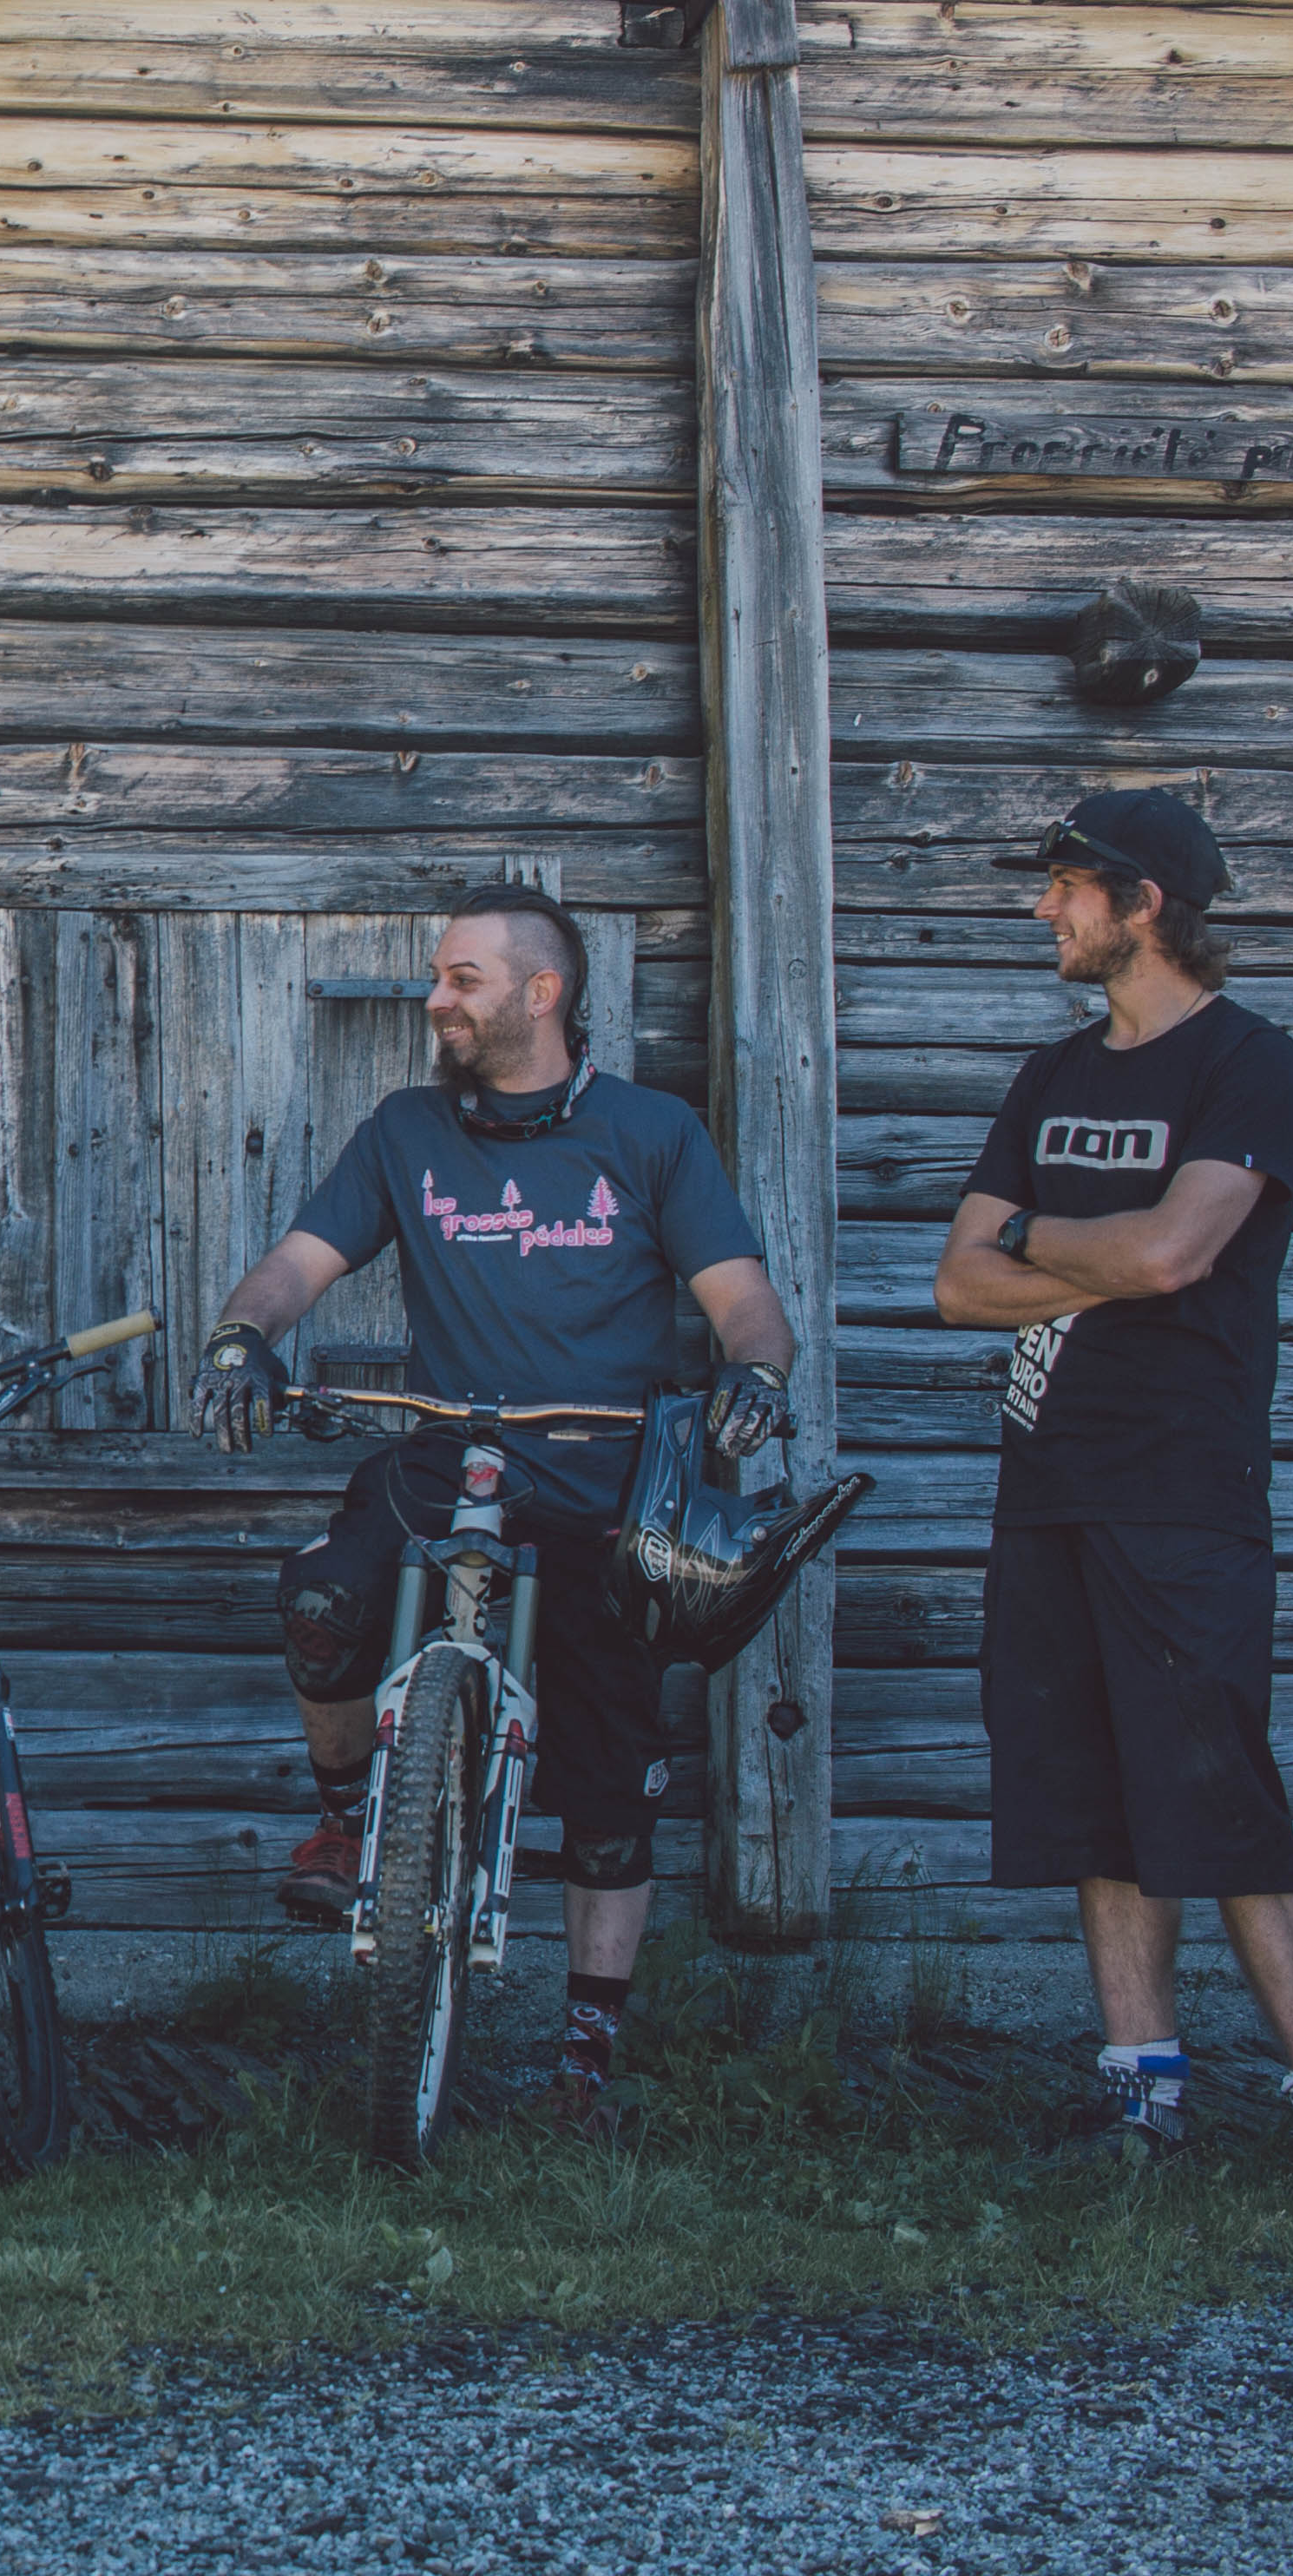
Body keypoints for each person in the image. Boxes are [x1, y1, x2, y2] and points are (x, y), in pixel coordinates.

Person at [189, 881, 797, 2135]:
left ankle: (587, 2048)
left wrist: (757, 1373)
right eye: (436, 976)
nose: (434, 998)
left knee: (612, 1780)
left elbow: (741, 1295)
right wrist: (246, 1332)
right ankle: (349, 1814)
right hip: (443, 1462)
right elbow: (301, 1262)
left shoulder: (651, 1133)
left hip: (599, 1489)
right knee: (319, 1599)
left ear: (543, 991)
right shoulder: (409, 1130)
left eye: (461, 978)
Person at [929, 790, 1293, 2209]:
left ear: (1144, 904)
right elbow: (958, 1286)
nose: (1042, 909)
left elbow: (1184, 1255)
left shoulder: (1248, 1063)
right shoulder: (1050, 1076)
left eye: (1066, 884)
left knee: (1211, 1781)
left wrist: (1043, 1238)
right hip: (1049, 1478)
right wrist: (1097, 1252)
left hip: (1184, 1484)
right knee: (1093, 1798)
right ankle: (1146, 2096)